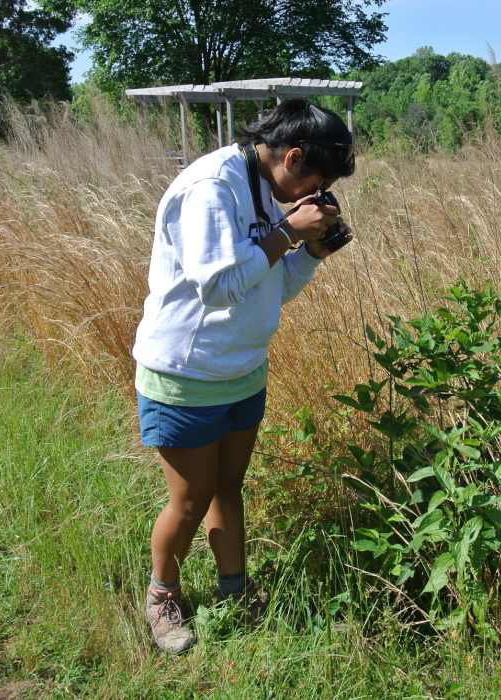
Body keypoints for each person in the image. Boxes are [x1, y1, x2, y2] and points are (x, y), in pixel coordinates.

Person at [132, 98, 355, 654]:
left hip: (242, 369)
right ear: (292, 156)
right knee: (189, 500)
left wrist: (311, 252)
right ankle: (162, 596)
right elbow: (219, 285)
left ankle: (235, 590)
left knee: (227, 488)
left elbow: (268, 285)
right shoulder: (211, 186)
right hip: (186, 372)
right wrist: (289, 231)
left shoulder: (265, 187)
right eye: (315, 182)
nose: (312, 196)